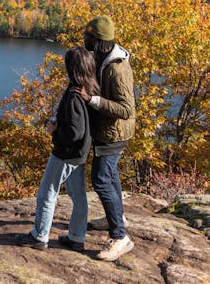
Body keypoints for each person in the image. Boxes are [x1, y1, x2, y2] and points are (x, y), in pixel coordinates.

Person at [15, 46, 97, 251]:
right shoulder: (89, 89)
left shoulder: (74, 95)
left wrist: (54, 131)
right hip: (80, 153)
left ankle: (40, 236)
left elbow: (74, 132)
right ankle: (77, 237)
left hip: (66, 154)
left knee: (46, 193)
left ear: (73, 69)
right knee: (78, 196)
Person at [78, 15, 136, 262]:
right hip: (107, 132)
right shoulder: (102, 59)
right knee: (110, 176)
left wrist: (92, 100)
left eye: (88, 37)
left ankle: (120, 237)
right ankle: (117, 217)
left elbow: (126, 109)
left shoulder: (116, 68)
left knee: (100, 180)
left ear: (98, 40)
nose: (84, 40)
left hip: (114, 135)